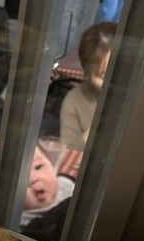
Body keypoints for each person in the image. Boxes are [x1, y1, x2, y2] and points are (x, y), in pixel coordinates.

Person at [0, 143, 74, 241]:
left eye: (38, 167)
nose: (33, 179)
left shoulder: (67, 186)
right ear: (4, 200)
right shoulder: (15, 224)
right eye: (18, 179)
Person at [60, 21, 116, 151]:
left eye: (119, 71)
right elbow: (69, 151)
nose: (114, 83)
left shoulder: (143, 95)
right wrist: (101, 121)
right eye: (103, 76)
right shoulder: (74, 101)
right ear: (88, 76)